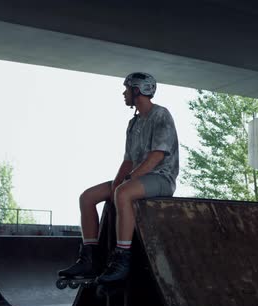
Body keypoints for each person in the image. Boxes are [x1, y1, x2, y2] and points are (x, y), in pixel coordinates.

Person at [58, 72, 179, 284]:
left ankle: (122, 259)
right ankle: (89, 259)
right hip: (136, 178)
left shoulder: (161, 115)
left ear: (137, 90)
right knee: (87, 197)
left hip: (161, 178)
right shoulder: (133, 124)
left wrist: (126, 183)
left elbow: (156, 157)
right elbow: (128, 161)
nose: (124, 94)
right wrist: (116, 183)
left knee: (123, 193)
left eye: (127, 89)